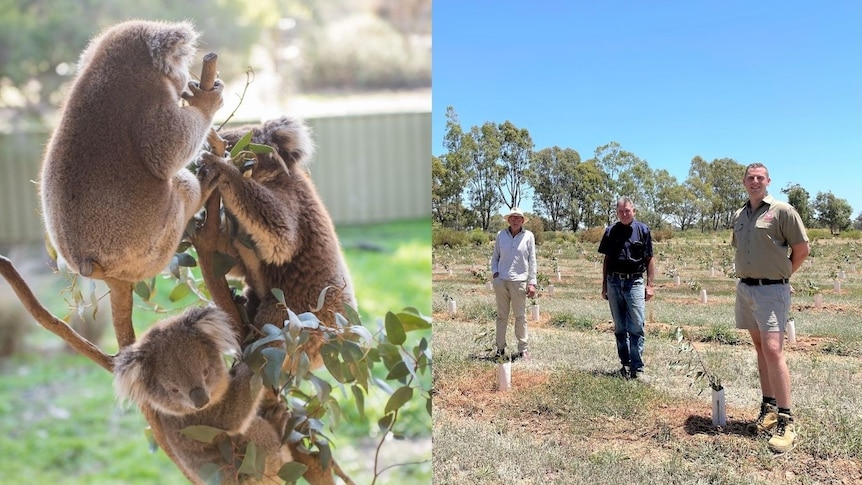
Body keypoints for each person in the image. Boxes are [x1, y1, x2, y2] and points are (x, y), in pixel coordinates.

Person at [732, 163, 809, 453]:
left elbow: (801, 250)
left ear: (768, 181)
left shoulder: (783, 211)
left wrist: (783, 275)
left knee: (774, 350)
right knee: (761, 349)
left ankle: (786, 421)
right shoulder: (740, 215)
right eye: (750, 178)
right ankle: (769, 408)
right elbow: (740, 248)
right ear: (744, 182)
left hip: (772, 290)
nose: (755, 182)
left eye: (759, 178)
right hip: (746, 289)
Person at [598, 197, 655, 379]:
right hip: (614, 282)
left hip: (635, 283)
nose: (624, 214)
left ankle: (637, 367)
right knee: (620, 327)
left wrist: (650, 285)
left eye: (627, 211)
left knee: (637, 325)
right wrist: (604, 286)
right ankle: (625, 364)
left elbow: (649, 259)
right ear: (617, 212)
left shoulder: (643, 230)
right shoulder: (610, 231)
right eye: (621, 211)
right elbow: (606, 260)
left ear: (634, 211)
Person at [490, 207, 537, 360]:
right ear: (508, 220)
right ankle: (500, 348)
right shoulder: (501, 235)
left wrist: (532, 282)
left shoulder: (528, 236)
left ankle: (523, 349)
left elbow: (532, 260)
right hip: (501, 281)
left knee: (520, 316)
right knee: (502, 316)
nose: (515, 220)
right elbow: (495, 257)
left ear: (523, 221)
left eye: (518, 218)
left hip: (520, 282)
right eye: (513, 217)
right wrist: (495, 273)